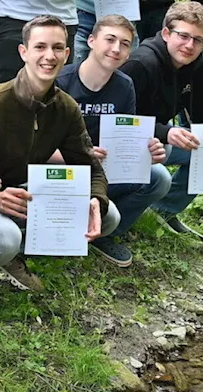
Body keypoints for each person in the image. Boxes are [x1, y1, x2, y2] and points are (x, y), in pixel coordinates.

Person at [0, 16, 114, 321]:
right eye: (40, 47)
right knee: (4, 237)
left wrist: (95, 200)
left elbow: (90, 166)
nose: (49, 56)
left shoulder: (65, 107)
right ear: (24, 52)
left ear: (67, 54)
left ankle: (14, 256)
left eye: (57, 48)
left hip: (28, 193)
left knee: (109, 214)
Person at [118, 2, 203, 237]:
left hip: (160, 139)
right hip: (124, 145)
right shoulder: (141, 64)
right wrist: (166, 132)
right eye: (183, 36)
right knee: (161, 176)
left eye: (198, 40)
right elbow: (118, 121)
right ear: (166, 33)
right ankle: (115, 226)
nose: (190, 45)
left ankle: (164, 210)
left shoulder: (199, 66)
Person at [55, 15, 171, 266]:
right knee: (113, 215)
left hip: (102, 170)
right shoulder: (61, 82)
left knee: (160, 176)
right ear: (91, 41)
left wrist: (146, 152)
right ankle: (77, 225)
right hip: (63, 171)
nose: (116, 49)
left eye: (125, 43)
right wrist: (79, 155)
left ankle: (104, 236)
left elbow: (124, 139)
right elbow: (38, 146)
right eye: (110, 40)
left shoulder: (125, 85)